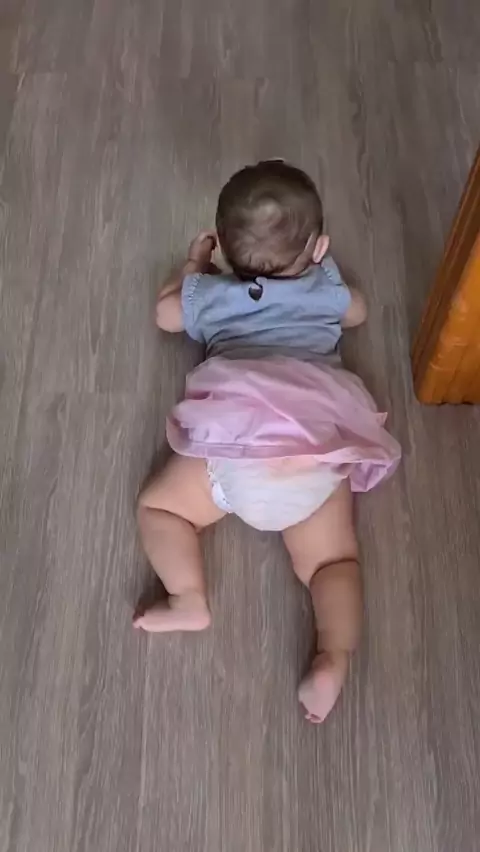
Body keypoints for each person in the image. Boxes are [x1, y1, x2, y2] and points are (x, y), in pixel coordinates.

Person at [134, 161, 401, 723]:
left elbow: (164, 314)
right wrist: (326, 278)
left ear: (226, 251)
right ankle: (333, 656)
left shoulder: (211, 293)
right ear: (319, 247)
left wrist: (193, 268)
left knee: (160, 509)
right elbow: (358, 311)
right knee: (332, 563)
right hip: (313, 452)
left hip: (237, 452)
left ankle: (187, 598)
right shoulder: (325, 286)